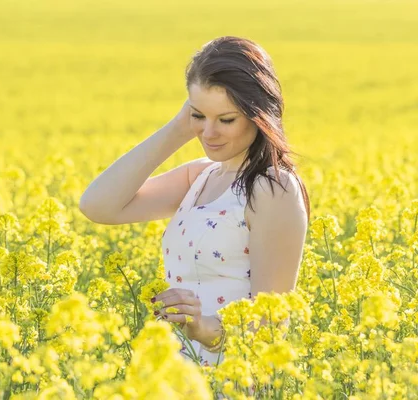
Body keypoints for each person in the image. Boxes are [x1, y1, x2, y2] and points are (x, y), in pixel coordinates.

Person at [79, 36, 310, 368]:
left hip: (232, 377)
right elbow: (98, 205)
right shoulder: (200, 177)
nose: (209, 133)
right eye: (199, 116)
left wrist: (202, 328)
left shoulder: (273, 188)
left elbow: (270, 325)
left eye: (226, 119)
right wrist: (177, 129)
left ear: (258, 114)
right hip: (176, 374)